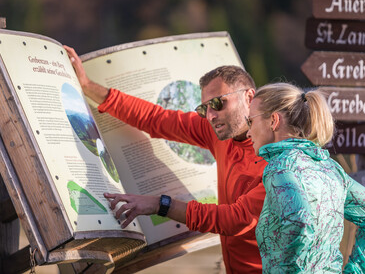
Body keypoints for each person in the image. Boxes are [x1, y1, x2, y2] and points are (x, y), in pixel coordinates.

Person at [64, 45, 267, 274]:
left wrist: (160, 204)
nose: (210, 115)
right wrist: (89, 87)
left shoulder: (275, 159)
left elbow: (232, 220)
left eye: (218, 104)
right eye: (204, 109)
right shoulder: (219, 131)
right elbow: (156, 119)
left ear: (249, 97)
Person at [246, 82, 365, 273]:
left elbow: (299, 220)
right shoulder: (331, 168)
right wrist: (356, 269)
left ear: (273, 120)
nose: (248, 132)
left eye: (250, 122)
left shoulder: (279, 168)